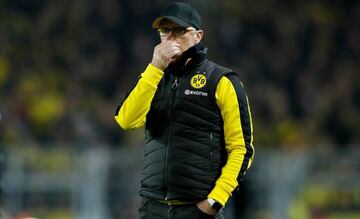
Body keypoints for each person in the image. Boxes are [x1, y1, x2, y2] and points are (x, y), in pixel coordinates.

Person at [115, 2, 254, 219]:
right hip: (152, 207)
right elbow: (126, 120)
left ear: (198, 36)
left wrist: (214, 201)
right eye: (164, 31)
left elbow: (241, 148)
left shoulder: (222, 80)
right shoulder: (152, 76)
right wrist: (154, 68)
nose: (170, 38)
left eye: (178, 31)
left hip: (197, 209)